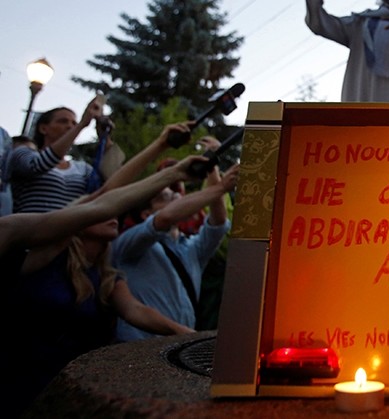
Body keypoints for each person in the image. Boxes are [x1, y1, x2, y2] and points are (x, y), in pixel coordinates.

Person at [0, 157, 206, 418]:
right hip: (19, 385)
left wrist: (192, 336)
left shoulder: (106, 276)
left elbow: (136, 311)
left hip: (71, 391)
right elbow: (102, 200)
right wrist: (172, 168)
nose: (113, 216)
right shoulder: (45, 257)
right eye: (103, 212)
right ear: (76, 222)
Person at [113, 163, 239, 342]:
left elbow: (218, 223)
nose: (177, 196)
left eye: (176, 194)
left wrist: (212, 168)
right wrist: (221, 187)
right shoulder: (131, 244)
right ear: (146, 214)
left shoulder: (191, 247)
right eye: (165, 196)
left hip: (180, 346)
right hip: (138, 348)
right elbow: (164, 218)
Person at [8, 97, 120, 213]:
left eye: (73, 123)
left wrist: (105, 138)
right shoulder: (23, 153)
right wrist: (81, 125)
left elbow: (111, 182)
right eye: (63, 121)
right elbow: (37, 165)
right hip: (29, 229)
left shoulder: (82, 169)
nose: (70, 126)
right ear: (43, 128)